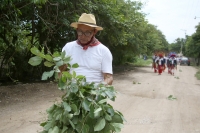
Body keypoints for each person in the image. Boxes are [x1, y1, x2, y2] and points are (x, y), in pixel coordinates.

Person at [60, 13, 113, 85]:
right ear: (77, 29)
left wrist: (99, 88)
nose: (83, 36)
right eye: (80, 32)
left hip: (95, 94)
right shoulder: (68, 48)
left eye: (87, 33)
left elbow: (109, 78)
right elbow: (61, 72)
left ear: (94, 32)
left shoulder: (104, 51)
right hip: (73, 93)